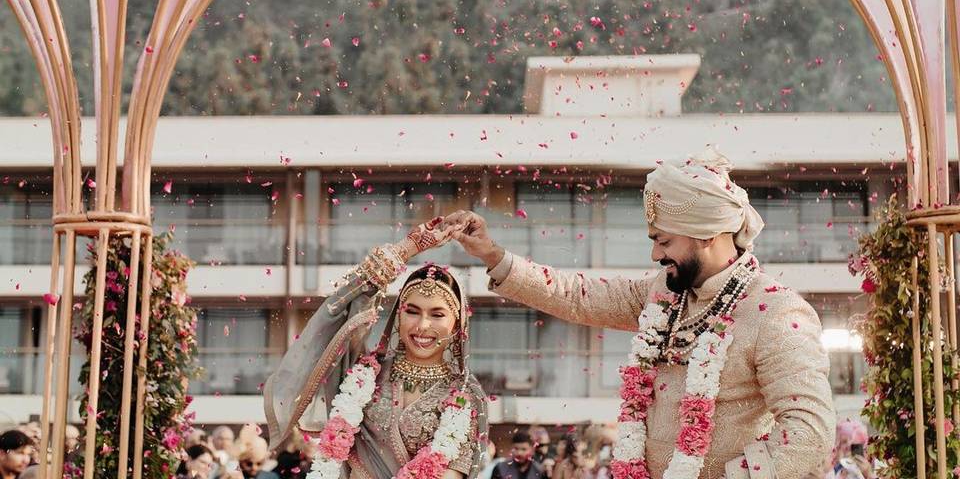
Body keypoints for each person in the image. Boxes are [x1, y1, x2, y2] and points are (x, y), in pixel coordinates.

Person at [446, 148, 836, 479]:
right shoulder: (664, 294)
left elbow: (810, 433)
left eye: (664, 241)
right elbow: (578, 296)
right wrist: (492, 254)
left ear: (708, 235)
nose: (655, 255)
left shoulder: (776, 312)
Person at [264, 217, 489, 478]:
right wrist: (409, 247)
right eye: (412, 311)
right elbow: (345, 302)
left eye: (437, 315)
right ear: (398, 315)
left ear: (456, 324)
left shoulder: (464, 393)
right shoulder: (365, 372)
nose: (422, 325)